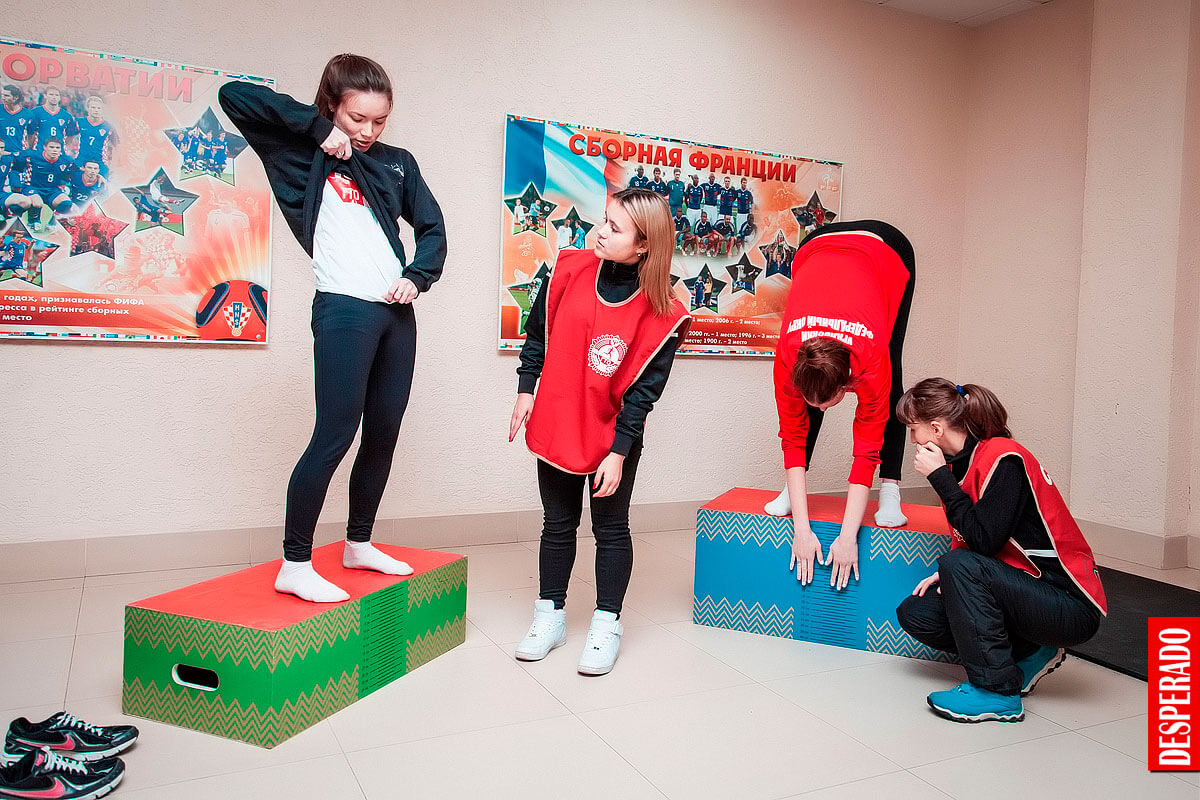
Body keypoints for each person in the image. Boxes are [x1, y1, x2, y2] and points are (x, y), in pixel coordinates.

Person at [219, 53, 447, 603]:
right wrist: (320, 130)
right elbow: (234, 95)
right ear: (331, 107)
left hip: (396, 314)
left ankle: (358, 543)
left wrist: (417, 277)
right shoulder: (301, 153)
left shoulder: (397, 163)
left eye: (379, 120)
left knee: (384, 433)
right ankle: (295, 563)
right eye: (356, 118)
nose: (367, 132)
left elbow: (433, 228)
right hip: (344, 310)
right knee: (335, 434)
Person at [509, 188, 689, 676]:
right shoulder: (568, 270)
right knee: (557, 523)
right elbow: (537, 336)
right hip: (559, 419)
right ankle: (549, 616)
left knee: (610, 528)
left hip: (614, 435)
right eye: (603, 220)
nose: (600, 232)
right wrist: (526, 390)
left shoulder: (665, 312)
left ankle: (607, 624)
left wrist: (620, 451)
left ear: (644, 244)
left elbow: (644, 393)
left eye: (614, 227)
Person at [894, 378, 1106, 723]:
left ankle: (997, 691)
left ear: (935, 429)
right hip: (1025, 591)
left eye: (913, 429)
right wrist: (951, 575)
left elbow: (984, 541)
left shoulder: (1004, 458)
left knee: (958, 565)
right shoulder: (960, 464)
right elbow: (975, 537)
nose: (913, 440)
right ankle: (1031, 652)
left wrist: (940, 480)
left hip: (1067, 604)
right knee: (916, 613)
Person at [770, 220, 915, 590]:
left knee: (893, 368)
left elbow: (866, 451)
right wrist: (801, 530)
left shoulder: (870, 363)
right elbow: (792, 436)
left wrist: (848, 537)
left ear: (849, 383)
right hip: (816, 244)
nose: (820, 409)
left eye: (828, 402)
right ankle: (793, 492)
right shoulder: (787, 357)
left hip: (886, 249)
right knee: (804, 413)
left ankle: (891, 489)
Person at [14, 137, 76, 231]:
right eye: (51, 147)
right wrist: (16, 183)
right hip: (33, 187)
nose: (54, 150)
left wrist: (63, 182)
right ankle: (33, 221)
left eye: (57, 148)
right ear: (45, 147)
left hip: (52, 189)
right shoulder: (32, 156)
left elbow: (75, 172)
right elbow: (15, 164)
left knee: (66, 203)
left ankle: (53, 222)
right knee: (37, 203)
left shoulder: (66, 160)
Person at [75, 95, 116, 176]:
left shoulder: (108, 126)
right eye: (93, 107)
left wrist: (113, 164)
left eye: (99, 108)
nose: (96, 110)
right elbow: (69, 138)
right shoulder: (79, 122)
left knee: (102, 182)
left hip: (100, 163)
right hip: (80, 160)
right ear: (87, 108)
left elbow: (117, 146)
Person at [0, 85, 31, 156]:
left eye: (6, 95)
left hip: (19, 153)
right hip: (1, 153)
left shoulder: (28, 114)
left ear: (16, 97)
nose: (3, 98)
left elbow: (31, 135)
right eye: (2, 95)